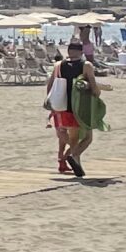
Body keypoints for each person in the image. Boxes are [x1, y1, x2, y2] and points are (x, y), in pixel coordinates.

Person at [47, 39, 95, 178]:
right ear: (81, 52)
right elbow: (93, 86)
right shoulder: (86, 65)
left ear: (68, 51)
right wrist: (97, 92)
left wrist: (51, 103)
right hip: (79, 106)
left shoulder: (58, 65)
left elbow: (50, 85)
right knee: (87, 138)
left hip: (61, 105)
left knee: (64, 133)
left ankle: (75, 163)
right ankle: (73, 155)